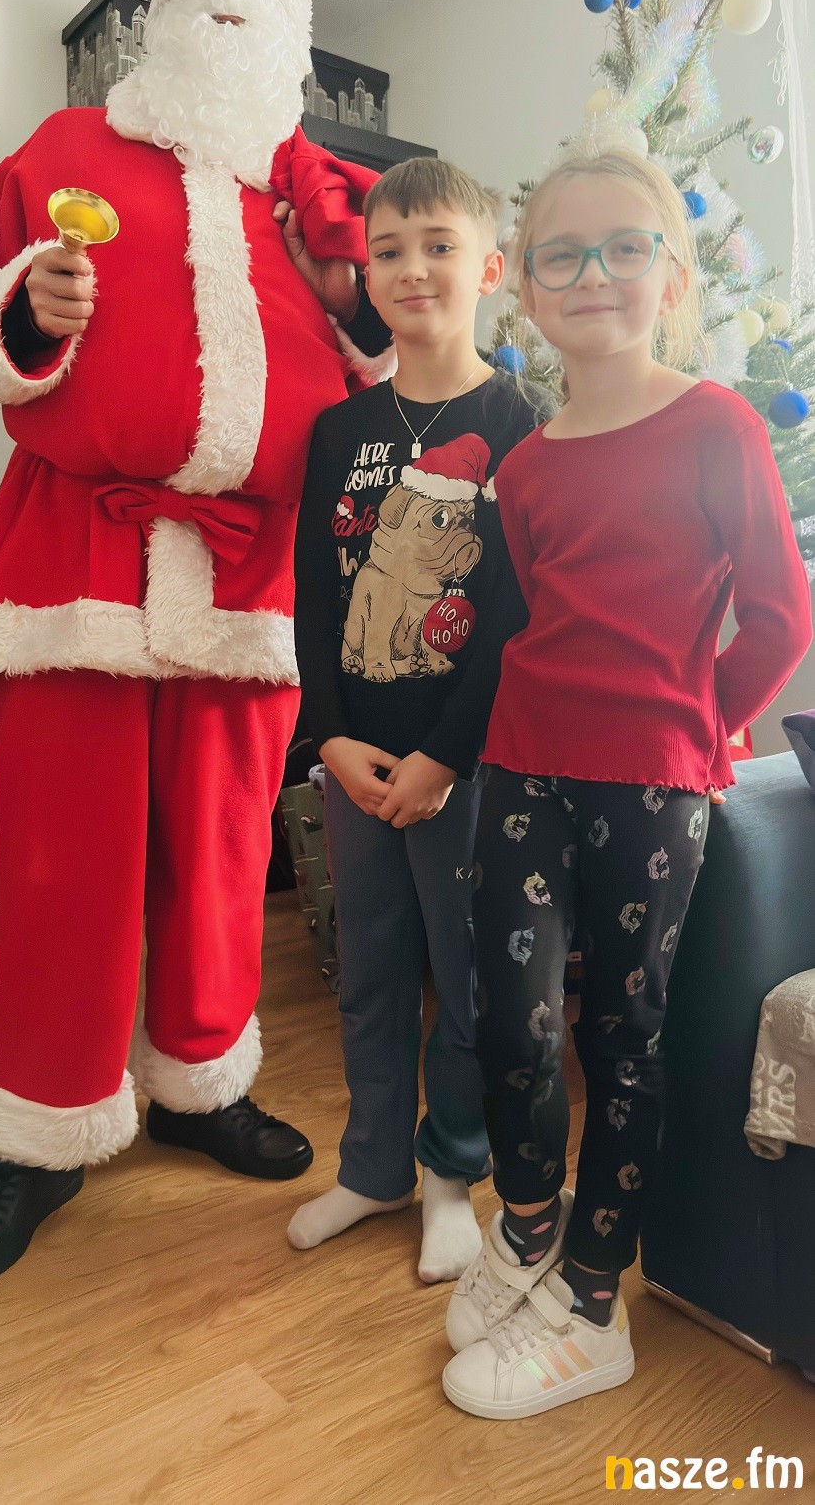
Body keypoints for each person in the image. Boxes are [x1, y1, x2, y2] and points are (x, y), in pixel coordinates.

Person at [0, 0, 391, 1294]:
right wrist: (24, 309)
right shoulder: (63, 150)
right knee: (57, 855)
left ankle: (200, 1079)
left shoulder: (326, 197)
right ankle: (40, 1131)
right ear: (161, 6)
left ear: (290, 21)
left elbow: (395, 351)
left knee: (226, 850)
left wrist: (355, 301)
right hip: (79, 560)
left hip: (252, 571)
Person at [441, 144, 812, 1415]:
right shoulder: (527, 465)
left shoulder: (715, 426)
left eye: (622, 246)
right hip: (522, 765)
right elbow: (532, 616)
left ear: (670, 273)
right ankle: (528, 1225)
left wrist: (694, 733)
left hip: (650, 785)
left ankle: (593, 1302)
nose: (591, 272)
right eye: (561, 253)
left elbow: (775, 614)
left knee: (622, 1032)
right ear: (524, 286)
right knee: (510, 1019)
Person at [288, 157, 535, 1283]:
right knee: (371, 966)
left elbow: (513, 614)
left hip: (462, 763)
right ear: (365, 276)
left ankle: (448, 1173)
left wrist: (445, 755)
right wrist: (330, 737)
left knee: (466, 975)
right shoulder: (340, 431)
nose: (410, 268)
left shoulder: (517, 423)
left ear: (487, 268)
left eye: (438, 245)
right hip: (354, 757)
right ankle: (375, 1164)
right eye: (386, 250)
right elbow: (311, 593)